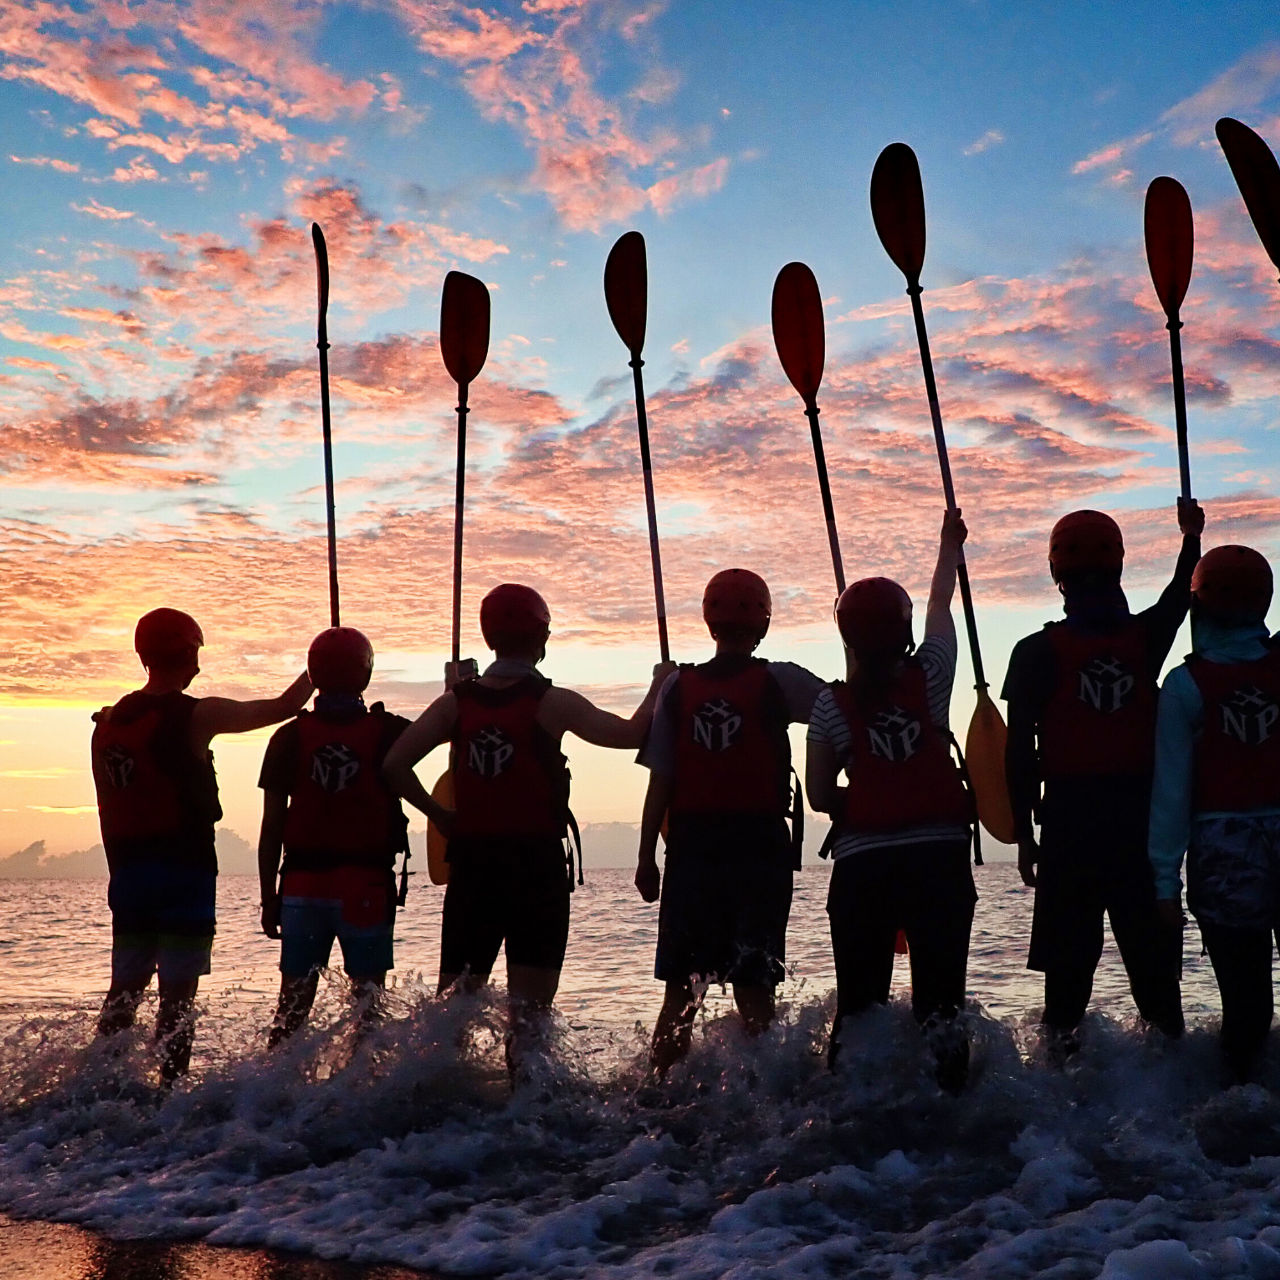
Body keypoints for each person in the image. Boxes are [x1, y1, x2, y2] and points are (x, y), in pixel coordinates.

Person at [383, 583, 674, 1073]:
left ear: (488, 635)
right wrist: (660, 685)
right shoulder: (552, 702)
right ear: (541, 637)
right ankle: (527, 1108)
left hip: (473, 867)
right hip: (534, 870)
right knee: (531, 1017)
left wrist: (441, 815)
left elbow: (394, 765)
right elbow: (629, 735)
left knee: (452, 1010)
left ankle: (432, 1104)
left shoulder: (456, 703)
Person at [1003, 499, 1203, 1059]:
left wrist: (1024, 835)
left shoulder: (1034, 651)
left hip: (1069, 827)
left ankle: (1059, 1092)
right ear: (1117, 565)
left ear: (1055, 572)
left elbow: (1019, 753)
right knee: (1157, 981)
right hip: (1139, 826)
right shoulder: (1146, 640)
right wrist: (1191, 537)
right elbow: (1180, 597)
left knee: (1066, 986)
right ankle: (1177, 1086)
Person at [91, 608, 312, 1081]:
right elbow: (282, 707)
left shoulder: (106, 725)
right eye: (197, 653)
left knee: (123, 993)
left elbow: (106, 810)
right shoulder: (197, 714)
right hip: (183, 874)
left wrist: (122, 875)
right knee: (177, 999)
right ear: (187, 652)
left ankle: (93, 1086)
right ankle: (168, 1095)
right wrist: (326, 660)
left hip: (128, 877)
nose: (199, 665)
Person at [806, 510, 975, 1091]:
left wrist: (866, 792)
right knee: (942, 1004)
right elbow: (938, 611)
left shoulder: (830, 706)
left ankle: (848, 1106)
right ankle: (952, 1106)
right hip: (940, 861)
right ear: (900, 631)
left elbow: (822, 794)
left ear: (847, 637)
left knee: (858, 1006)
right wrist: (947, 546)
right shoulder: (933, 674)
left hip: (864, 867)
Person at [635, 569, 824, 1078]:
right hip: (758, 849)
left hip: (692, 850)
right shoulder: (780, 679)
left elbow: (662, 780)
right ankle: (770, 1096)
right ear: (762, 622)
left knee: (682, 990)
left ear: (708, 620)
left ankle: (657, 1091)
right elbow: (840, 711)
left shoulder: (677, 685)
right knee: (754, 984)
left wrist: (644, 856)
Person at [1149, 545, 1280, 1082]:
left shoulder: (1185, 686)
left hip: (1223, 856)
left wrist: (1163, 882)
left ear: (1198, 607)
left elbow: (1172, 792)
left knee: (1246, 1008)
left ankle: (1239, 1111)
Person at [258, 627, 421, 1046]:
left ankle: (270, 1094)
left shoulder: (288, 737)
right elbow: (444, 730)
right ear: (364, 675)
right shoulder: (390, 733)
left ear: (313, 674)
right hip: (364, 888)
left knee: (291, 1010)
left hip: (300, 889)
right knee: (368, 1011)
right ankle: (361, 1095)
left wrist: (268, 896)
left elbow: (272, 825)